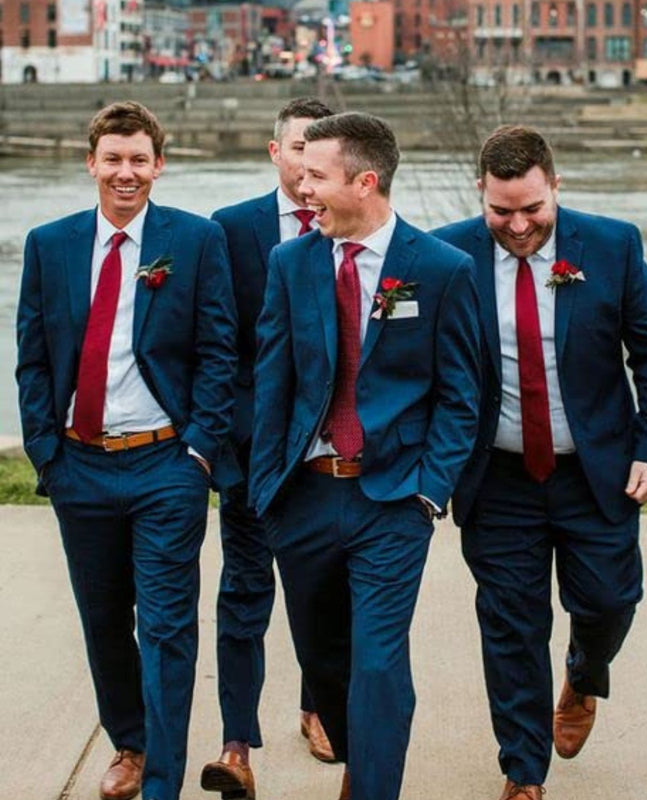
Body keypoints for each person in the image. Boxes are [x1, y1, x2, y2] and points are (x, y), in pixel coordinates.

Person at [432, 125, 647, 800]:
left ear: (555, 186)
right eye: (501, 211)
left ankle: (584, 673)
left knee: (609, 599)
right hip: (498, 477)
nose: (517, 225)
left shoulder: (612, 244)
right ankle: (524, 771)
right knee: (511, 622)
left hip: (596, 471)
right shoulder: (446, 254)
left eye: (532, 210)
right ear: (480, 192)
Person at [249, 111, 481, 800]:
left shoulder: (440, 269)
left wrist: (427, 492)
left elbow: (460, 395)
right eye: (301, 171)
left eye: (316, 176)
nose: (302, 185)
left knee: (379, 663)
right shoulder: (289, 262)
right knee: (323, 660)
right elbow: (273, 379)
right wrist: (268, 491)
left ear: (365, 181)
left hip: (392, 499)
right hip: (305, 496)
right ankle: (359, 752)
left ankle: (372, 785)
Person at [15, 101, 238, 800]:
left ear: (159, 165)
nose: (126, 172)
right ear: (91, 163)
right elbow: (32, 361)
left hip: (166, 465)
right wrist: (47, 455)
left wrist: (199, 451)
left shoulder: (195, 242)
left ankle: (162, 783)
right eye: (113, 158)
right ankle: (131, 745)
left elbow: (219, 353)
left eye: (139, 159)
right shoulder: (49, 244)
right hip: (79, 465)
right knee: (104, 620)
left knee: (169, 627)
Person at [200, 97, 335, 800]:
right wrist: (229, 451)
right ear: (274, 152)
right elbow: (220, 348)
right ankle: (235, 745)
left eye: (320, 148)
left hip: (328, 461)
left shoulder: (352, 225)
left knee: (318, 596)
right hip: (252, 458)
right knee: (244, 596)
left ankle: (317, 708)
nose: (307, 160)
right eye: (296, 146)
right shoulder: (232, 231)